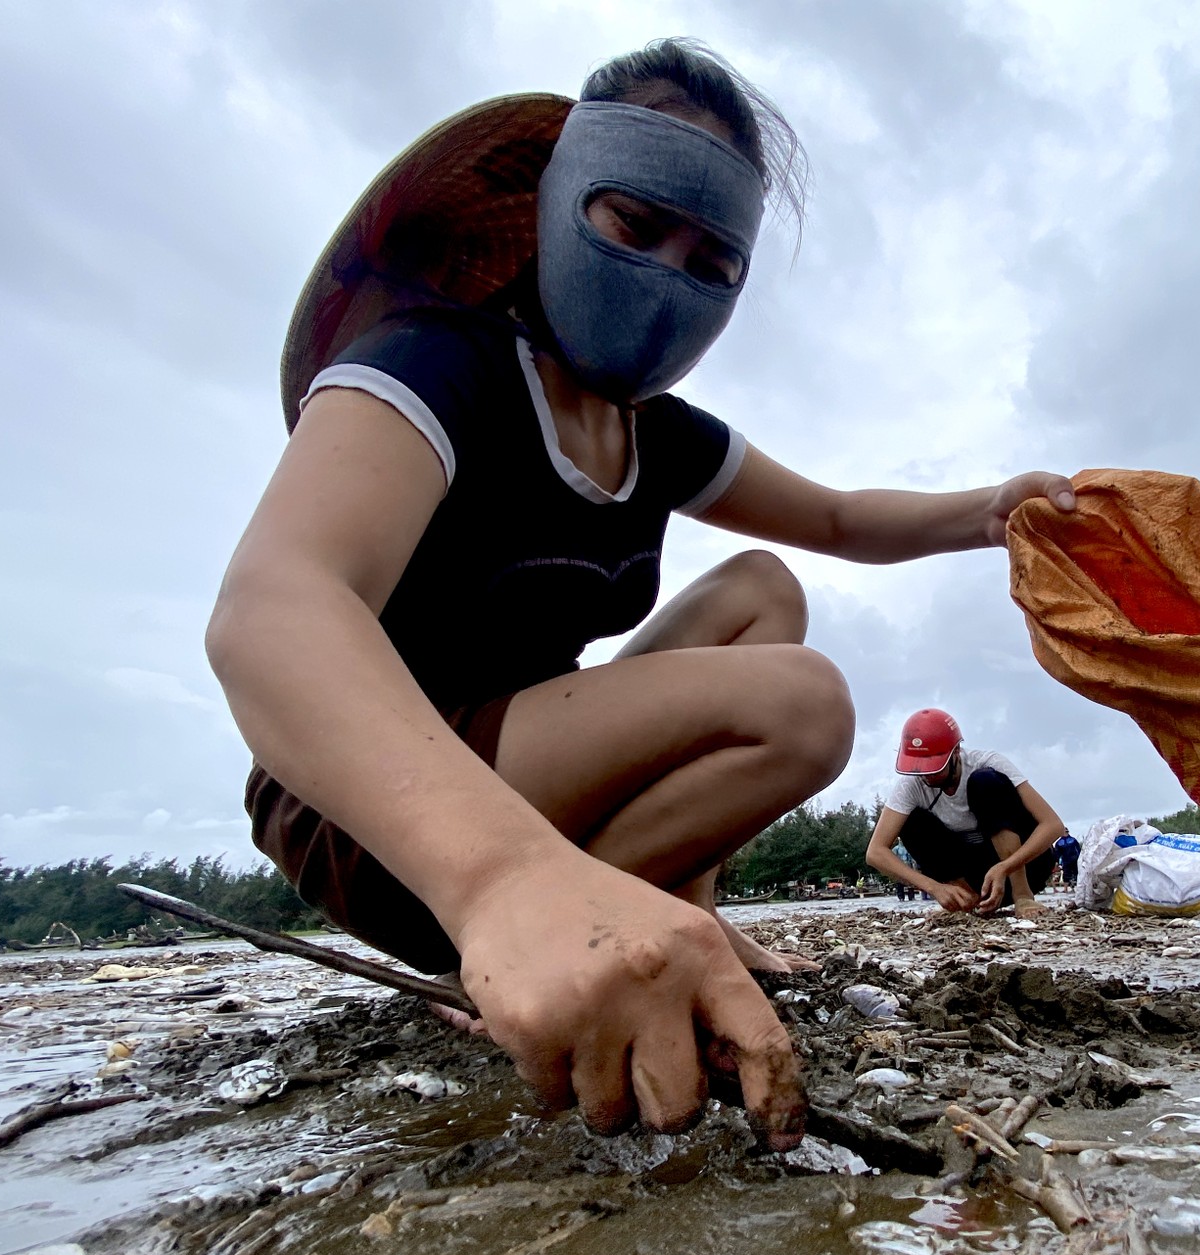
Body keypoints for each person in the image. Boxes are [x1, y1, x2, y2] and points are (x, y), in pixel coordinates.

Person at [206, 40, 1077, 1150]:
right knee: (800, 700)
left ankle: (675, 912)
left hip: (530, 755)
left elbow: (841, 520)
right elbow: (272, 605)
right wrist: (499, 881)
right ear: (558, 206)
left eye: (713, 260)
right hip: (378, 811)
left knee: (763, 585)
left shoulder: (653, 437)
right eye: (633, 225)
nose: (669, 274)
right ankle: (556, 929)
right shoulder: (438, 364)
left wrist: (990, 510)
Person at [863, 710, 1068, 919]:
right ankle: (965, 898)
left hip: (1023, 867)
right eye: (921, 768)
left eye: (934, 768)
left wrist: (1005, 867)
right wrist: (934, 887)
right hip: (977, 879)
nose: (927, 776)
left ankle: (1022, 895)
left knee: (984, 782)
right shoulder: (912, 785)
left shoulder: (986, 762)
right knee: (912, 821)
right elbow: (875, 852)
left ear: (956, 752)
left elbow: (1052, 825)